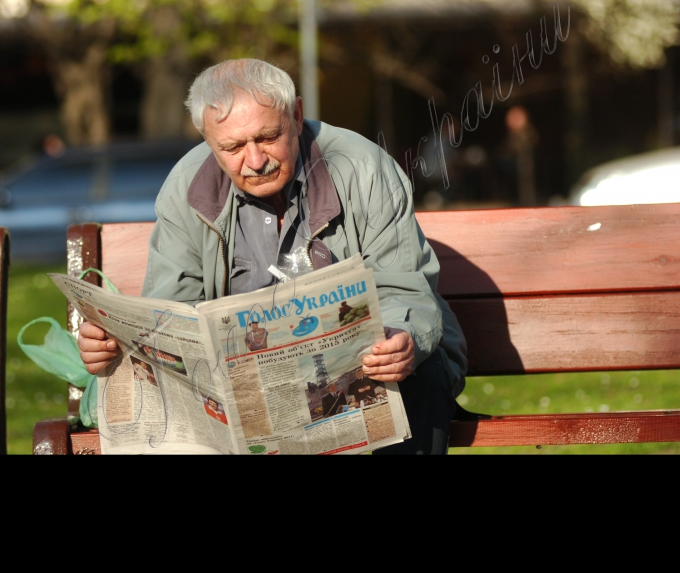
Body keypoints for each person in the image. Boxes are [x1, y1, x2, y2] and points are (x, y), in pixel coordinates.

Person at [77, 58, 468, 455]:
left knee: (419, 376)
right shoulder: (185, 187)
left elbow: (404, 287)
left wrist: (404, 339)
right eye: (231, 147)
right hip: (241, 385)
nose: (255, 160)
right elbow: (170, 311)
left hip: (357, 369)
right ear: (207, 138)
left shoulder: (363, 168)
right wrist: (116, 343)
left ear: (296, 115)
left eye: (266, 137)